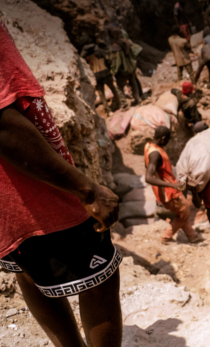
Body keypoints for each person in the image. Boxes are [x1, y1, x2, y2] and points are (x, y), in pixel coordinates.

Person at [0, 24, 122, 347]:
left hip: (9, 194)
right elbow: (3, 126)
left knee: (28, 267)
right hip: (27, 185)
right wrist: (87, 190)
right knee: (100, 276)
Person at [144, 126, 201, 244]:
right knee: (185, 212)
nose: (168, 142)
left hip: (167, 189)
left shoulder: (148, 146)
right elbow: (148, 177)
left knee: (182, 212)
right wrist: (172, 185)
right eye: (168, 139)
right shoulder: (155, 154)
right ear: (163, 138)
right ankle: (166, 237)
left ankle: (192, 236)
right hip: (169, 192)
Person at [81, 41, 121, 112]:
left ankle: (108, 110)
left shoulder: (87, 56)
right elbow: (108, 60)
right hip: (105, 72)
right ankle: (119, 104)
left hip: (96, 75)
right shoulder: (100, 52)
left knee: (101, 93)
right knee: (113, 88)